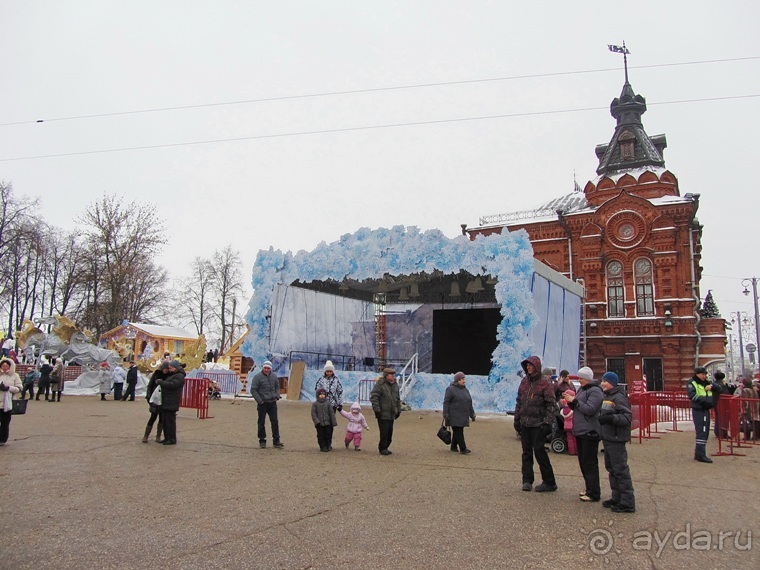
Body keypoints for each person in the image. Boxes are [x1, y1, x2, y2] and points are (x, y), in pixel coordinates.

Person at [514, 355, 557, 492]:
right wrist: (517, 419)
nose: (528, 367)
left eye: (531, 365)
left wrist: (547, 423)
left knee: (540, 452)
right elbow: (519, 401)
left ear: (537, 367)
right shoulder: (524, 382)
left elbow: (551, 405)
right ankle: (527, 480)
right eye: (527, 365)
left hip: (538, 424)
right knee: (526, 453)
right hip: (525, 423)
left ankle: (549, 482)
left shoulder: (545, 383)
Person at [563, 366, 603, 502]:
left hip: (590, 431)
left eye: (581, 378)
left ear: (587, 378)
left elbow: (590, 409)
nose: (579, 380)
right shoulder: (582, 389)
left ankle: (594, 493)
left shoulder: (595, 391)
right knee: (583, 462)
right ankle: (589, 488)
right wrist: (571, 402)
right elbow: (578, 406)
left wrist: (574, 401)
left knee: (590, 463)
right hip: (580, 430)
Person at [598, 371, 636, 513]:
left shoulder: (619, 397)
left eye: (605, 381)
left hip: (616, 438)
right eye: (602, 381)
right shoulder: (607, 396)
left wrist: (610, 418)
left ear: (612, 383)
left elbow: (627, 417)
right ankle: (616, 497)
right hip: (608, 437)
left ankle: (627, 502)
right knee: (612, 469)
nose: (602, 383)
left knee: (620, 470)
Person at [250, 360, 284, 449]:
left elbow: (277, 387)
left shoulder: (274, 377)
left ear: (270, 369)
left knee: (275, 422)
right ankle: (262, 440)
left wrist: (277, 396)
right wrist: (259, 400)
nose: (266, 369)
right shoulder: (257, 377)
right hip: (262, 403)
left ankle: (276, 441)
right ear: (263, 368)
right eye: (265, 368)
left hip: (272, 402)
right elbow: (253, 390)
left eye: (268, 368)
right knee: (261, 422)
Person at [442, 371, 476, 454]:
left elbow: (469, 402)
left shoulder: (465, 390)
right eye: (462, 379)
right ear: (457, 380)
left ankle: (453, 446)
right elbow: (446, 402)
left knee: (458, 430)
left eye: (464, 379)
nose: (464, 381)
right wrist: (445, 413)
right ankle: (463, 448)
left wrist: (472, 414)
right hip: (453, 415)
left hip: (463, 415)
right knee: (458, 431)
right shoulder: (450, 389)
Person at [370, 367, 401, 456]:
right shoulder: (380, 385)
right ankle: (382, 448)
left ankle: (386, 446)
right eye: (391, 374)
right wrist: (377, 410)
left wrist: (398, 410)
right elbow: (374, 397)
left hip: (391, 413)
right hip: (382, 413)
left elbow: (397, 399)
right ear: (386, 376)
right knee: (384, 432)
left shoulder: (395, 385)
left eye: (393, 374)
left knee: (389, 433)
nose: (393, 376)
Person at [687, 366, 714, 463]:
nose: (704, 376)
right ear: (697, 374)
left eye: (705, 374)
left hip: (705, 409)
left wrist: (713, 387)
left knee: (705, 432)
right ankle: (701, 454)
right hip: (699, 409)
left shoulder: (706, 383)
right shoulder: (692, 383)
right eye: (702, 374)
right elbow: (692, 396)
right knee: (701, 432)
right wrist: (705, 401)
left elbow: (718, 389)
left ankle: (698, 453)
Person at [157, 360, 185, 445]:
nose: (170, 369)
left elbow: (173, 385)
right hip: (167, 400)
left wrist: (162, 383)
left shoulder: (179, 376)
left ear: (176, 367)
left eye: (171, 368)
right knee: (165, 420)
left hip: (172, 400)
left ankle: (171, 438)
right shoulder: (172, 375)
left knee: (170, 421)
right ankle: (167, 437)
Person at [0, 358, 23, 446]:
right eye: (3, 365)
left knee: (5, 423)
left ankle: (2, 439)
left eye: (6, 365)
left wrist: (9, 388)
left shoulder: (14, 376)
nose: (4, 367)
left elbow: (19, 388)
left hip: (7, 403)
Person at [142, 362, 167, 443]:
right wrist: (149, 397)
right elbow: (150, 385)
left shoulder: (169, 376)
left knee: (161, 419)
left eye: (167, 369)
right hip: (155, 399)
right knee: (153, 417)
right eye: (164, 369)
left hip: (164, 399)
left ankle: (158, 436)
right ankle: (146, 436)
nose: (165, 371)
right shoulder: (156, 374)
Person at [711, 370, 729, 438]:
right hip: (722, 403)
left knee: (718, 417)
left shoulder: (713, 384)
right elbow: (726, 394)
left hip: (715, 402)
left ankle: (718, 432)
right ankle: (722, 433)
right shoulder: (722, 385)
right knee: (723, 418)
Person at [559, 388, 576, 455]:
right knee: (575, 439)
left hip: (566, 425)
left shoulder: (564, 407)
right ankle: (576, 451)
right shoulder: (572, 407)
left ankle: (571, 451)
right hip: (573, 425)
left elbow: (561, 401)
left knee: (569, 439)